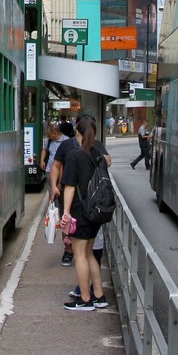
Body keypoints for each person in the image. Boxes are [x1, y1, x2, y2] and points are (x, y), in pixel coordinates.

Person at [60, 115, 111, 310]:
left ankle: (85, 299)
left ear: (77, 133)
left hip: (80, 211)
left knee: (80, 255)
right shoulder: (98, 153)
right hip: (95, 211)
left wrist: (66, 212)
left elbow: (70, 186)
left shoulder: (74, 155)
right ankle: (99, 296)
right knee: (90, 253)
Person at [40, 120, 74, 267]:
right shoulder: (52, 142)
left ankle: (72, 249)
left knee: (67, 215)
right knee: (61, 211)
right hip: (55, 176)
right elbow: (54, 163)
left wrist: (60, 181)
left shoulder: (67, 143)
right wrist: (55, 185)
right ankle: (68, 249)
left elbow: (61, 165)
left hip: (65, 179)